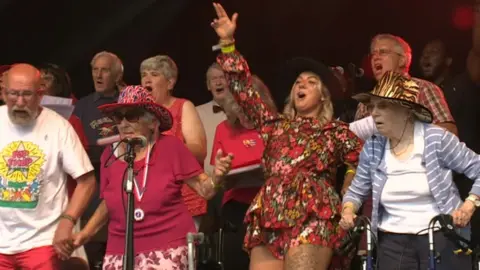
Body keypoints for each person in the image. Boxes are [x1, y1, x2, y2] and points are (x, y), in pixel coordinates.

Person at [210, 3, 363, 269]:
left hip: (313, 213)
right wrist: (227, 44)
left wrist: (349, 189)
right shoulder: (274, 125)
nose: (302, 84)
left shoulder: (335, 131)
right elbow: (244, 90)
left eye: (311, 82)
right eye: (298, 82)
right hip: (270, 212)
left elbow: (362, 162)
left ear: (324, 96)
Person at [72, 85, 233, 270]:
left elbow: (206, 190)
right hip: (119, 249)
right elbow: (109, 202)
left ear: (152, 123)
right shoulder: (109, 155)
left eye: (132, 116)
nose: (124, 123)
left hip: (167, 246)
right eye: (119, 117)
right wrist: (85, 233)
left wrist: (218, 176)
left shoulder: (171, 147)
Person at [340, 71, 480, 270]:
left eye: (383, 106)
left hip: (441, 235)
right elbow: (356, 191)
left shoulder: (436, 139)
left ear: (406, 111)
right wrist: (348, 210)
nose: (374, 113)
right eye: (372, 107)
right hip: (392, 241)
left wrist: (469, 205)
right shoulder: (373, 147)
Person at [0, 63, 96, 269]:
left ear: (40, 94)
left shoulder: (59, 126)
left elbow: (86, 181)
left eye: (27, 94)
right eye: (13, 94)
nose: (19, 102)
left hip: (43, 241)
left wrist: (67, 222)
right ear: (3, 92)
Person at [210, 75, 275, 270]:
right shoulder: (224, 129)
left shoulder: (276, 127)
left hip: (271, 206)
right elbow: (217, 175)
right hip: (237, 208)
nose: (245, 117)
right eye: (239, 112)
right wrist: (221, 171)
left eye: (249, 111)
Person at [140, 55, 207, 229]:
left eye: (154, 74)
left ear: (170, 83)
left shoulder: (183, 107)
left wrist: (166, 148)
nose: (147, 79)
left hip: (184, 201)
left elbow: (199, 150)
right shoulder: (139, 115)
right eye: (144, 75)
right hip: (150, 204)